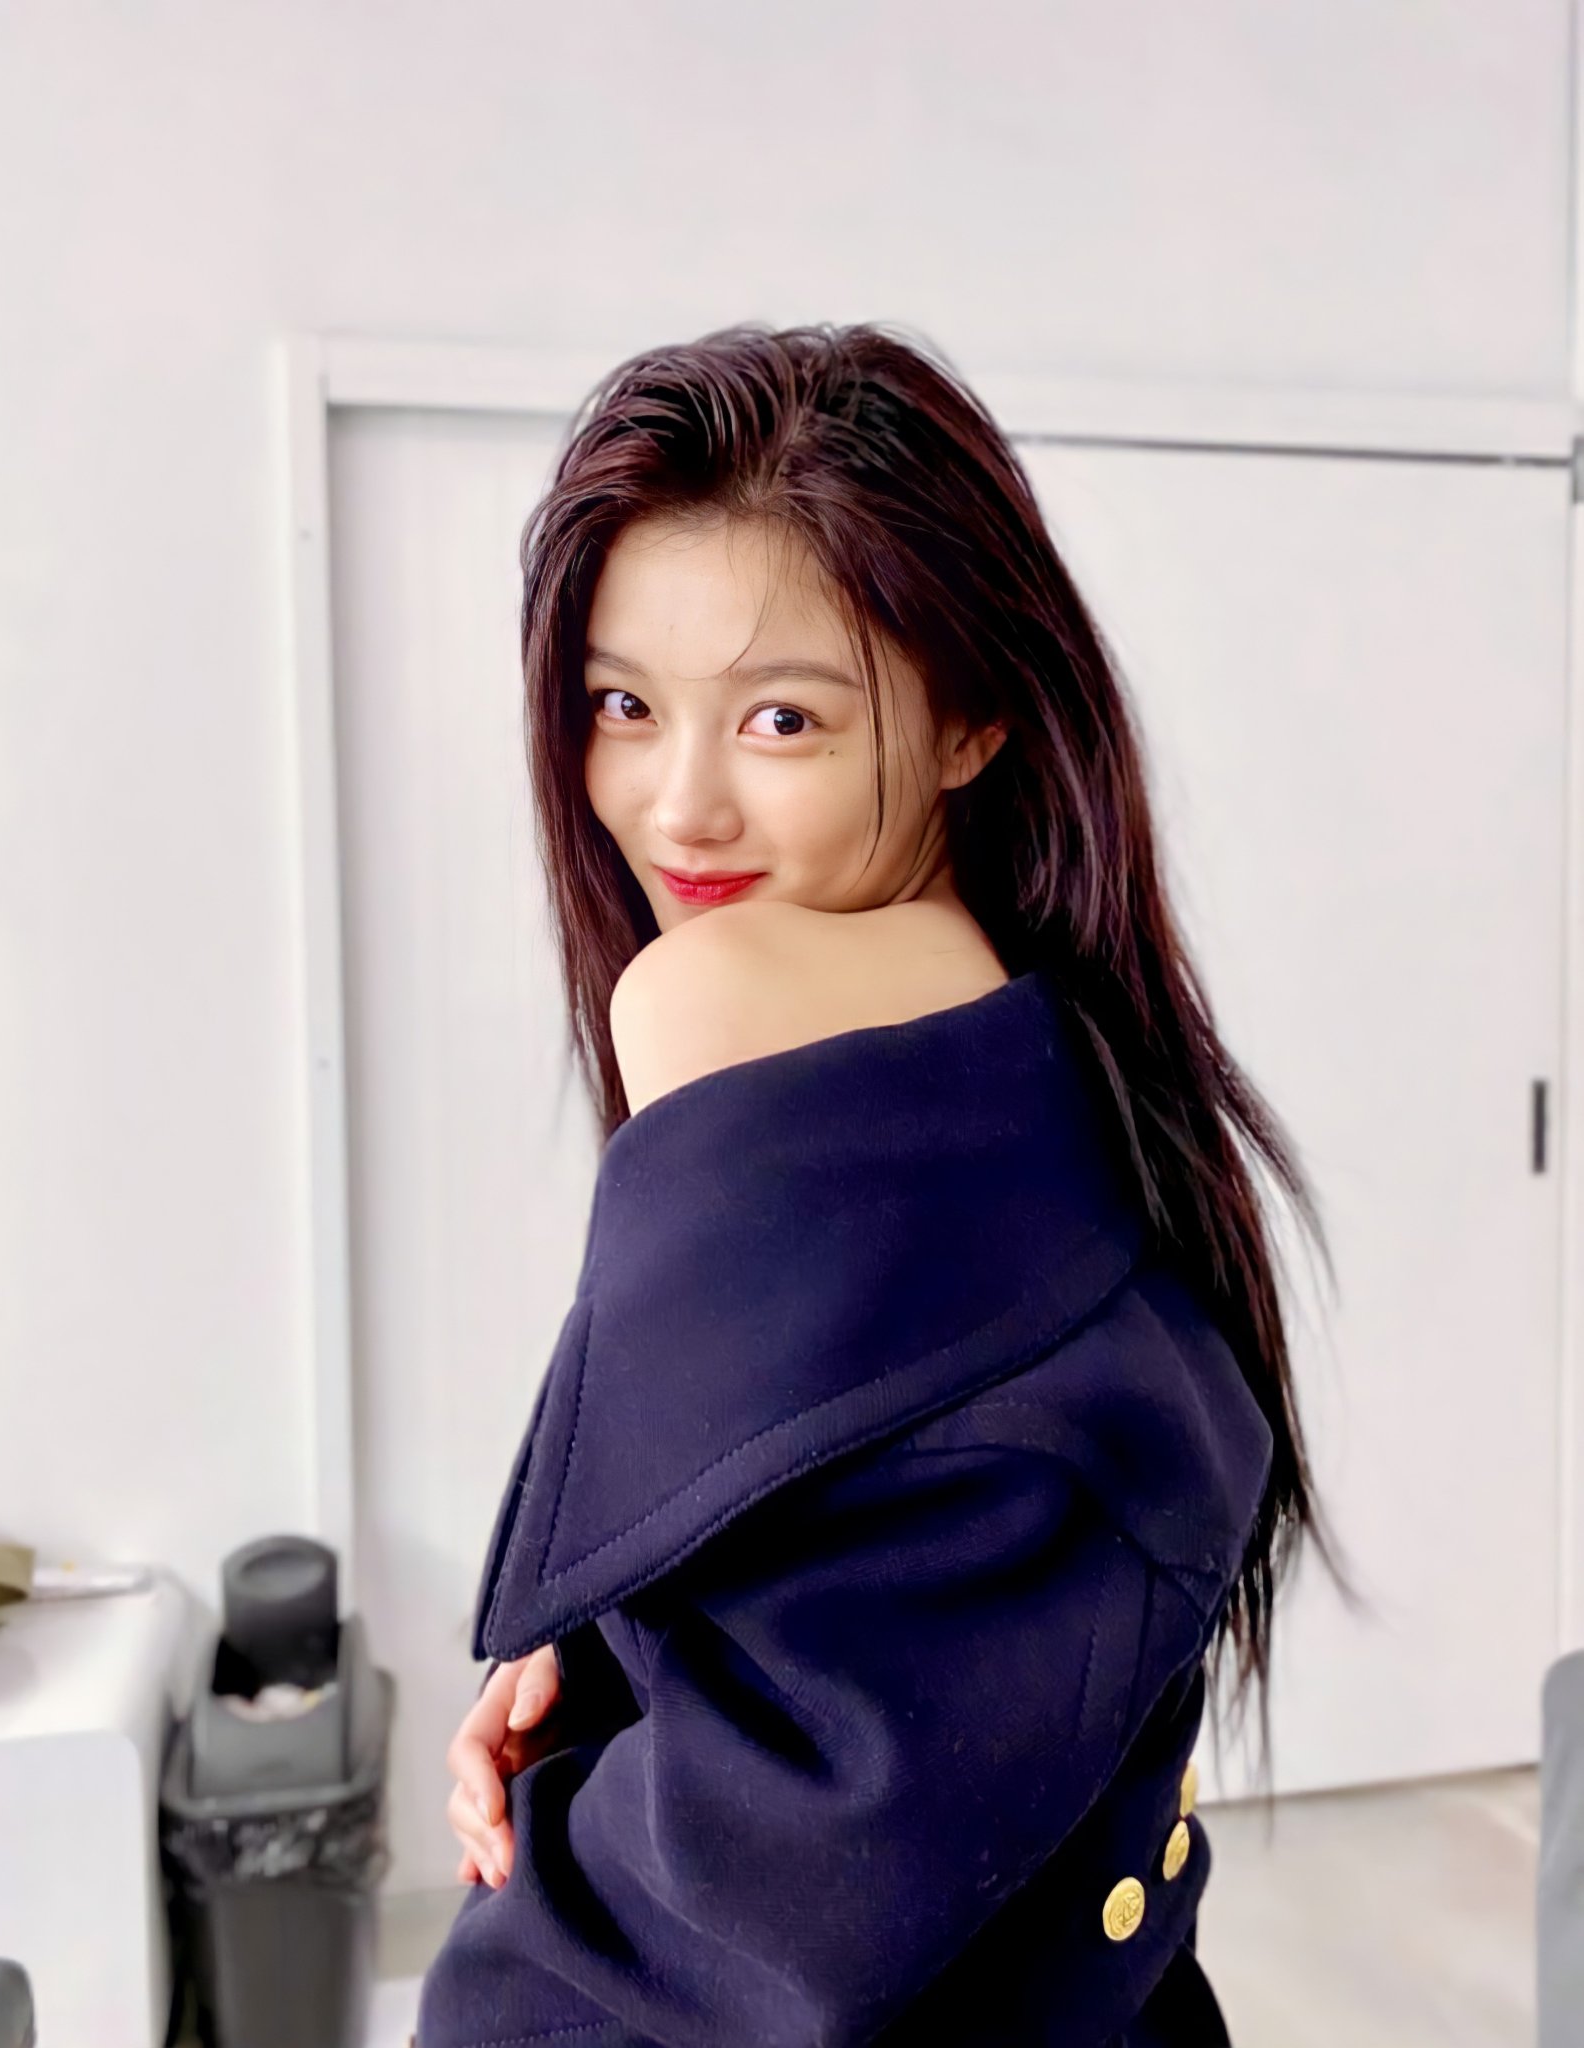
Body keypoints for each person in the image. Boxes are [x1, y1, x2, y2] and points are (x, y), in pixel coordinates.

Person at [414, 321, 1366, 2048]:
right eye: (623, 706)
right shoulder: (1037, 1075)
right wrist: (601, 1641)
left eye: (781, 716)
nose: (675, 809)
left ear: (972, 719)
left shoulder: (729, 1016)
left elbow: (772, 1886)